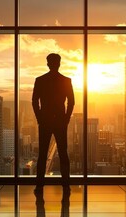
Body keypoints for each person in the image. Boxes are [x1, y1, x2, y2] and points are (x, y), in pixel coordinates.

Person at [32, 53, 75, 193]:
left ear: (48, 64)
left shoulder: (40, 80)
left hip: (45, 121)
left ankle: (39, 186)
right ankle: (66, 186)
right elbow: (71, 102)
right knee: (63, 153)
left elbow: (34, 101)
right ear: (59, 63)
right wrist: (66, 118)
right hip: (60, 121)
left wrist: (40, 118)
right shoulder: (66, 80)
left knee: (43, 154)